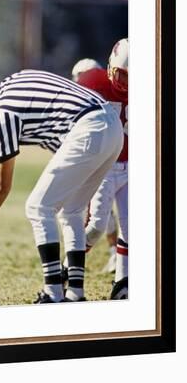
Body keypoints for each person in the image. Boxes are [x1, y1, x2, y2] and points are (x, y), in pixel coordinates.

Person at [0, 69, 123, 303]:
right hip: (113, 125)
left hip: (88, 128)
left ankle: (53, 293)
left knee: (37, 207)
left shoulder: (3, 114)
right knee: (72, 211)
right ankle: (75, 293)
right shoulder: (15, 79)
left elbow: (2, 185)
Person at [76, 39, 129, 299]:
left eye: (131, 76)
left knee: (132, 228)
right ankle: (69, 266)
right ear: (110, 67)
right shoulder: (94, 83)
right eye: (121, 74)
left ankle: (123, 283)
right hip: (106, 165)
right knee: (96, 225)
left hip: (132, 166)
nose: (125, 82)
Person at [71, 57, 119, 275]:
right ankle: (113, 254)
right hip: (96, 162)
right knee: (100, 215)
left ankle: (72, 265)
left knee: (98, 217)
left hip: (106, 163)